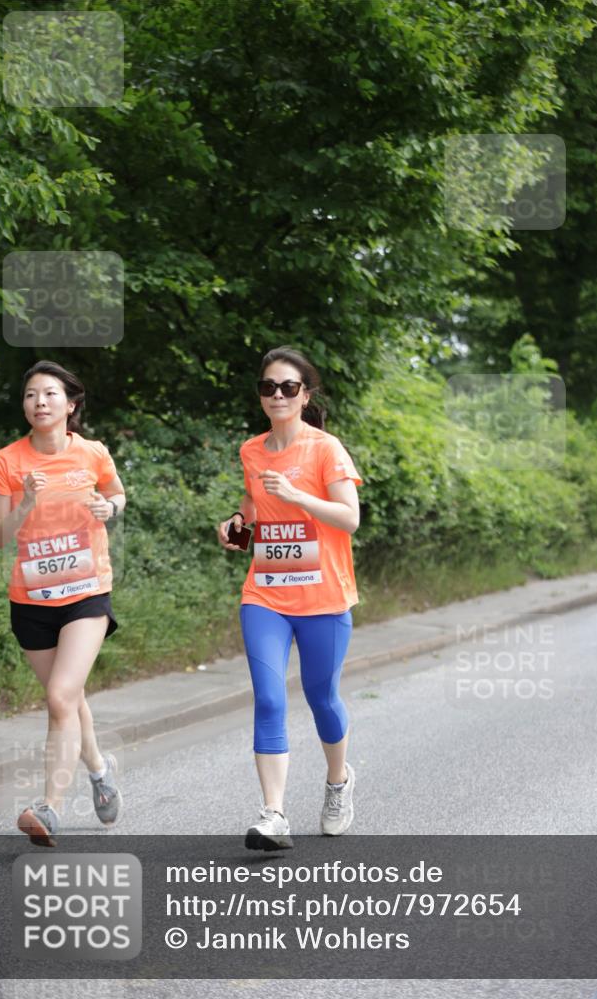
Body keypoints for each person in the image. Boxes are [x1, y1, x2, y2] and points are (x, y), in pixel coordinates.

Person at [218, 346, 362, 850]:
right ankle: (273, 814)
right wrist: (238, 525)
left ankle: (338, 783)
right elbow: (251, 503)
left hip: (324, 597)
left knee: (322, 697)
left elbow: (350, 518)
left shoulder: (326, 449)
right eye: (268, 387)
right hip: (266, 592)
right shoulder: (252, 450)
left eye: (288, 387)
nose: (277, 395)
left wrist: (299, 496)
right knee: (270, 695)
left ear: (305, 395)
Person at [0, 360, 125, 846]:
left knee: (60, 697)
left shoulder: (92, 453)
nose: (39, 402)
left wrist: (111, 507)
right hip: (32, 600)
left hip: (86, 592)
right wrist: (25, 502)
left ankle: (50, 808)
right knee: (70, 699)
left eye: (48, 394)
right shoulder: (6, 461)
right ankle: (99, 769)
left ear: (71, 404)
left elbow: (116, 494)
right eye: (30, 395)